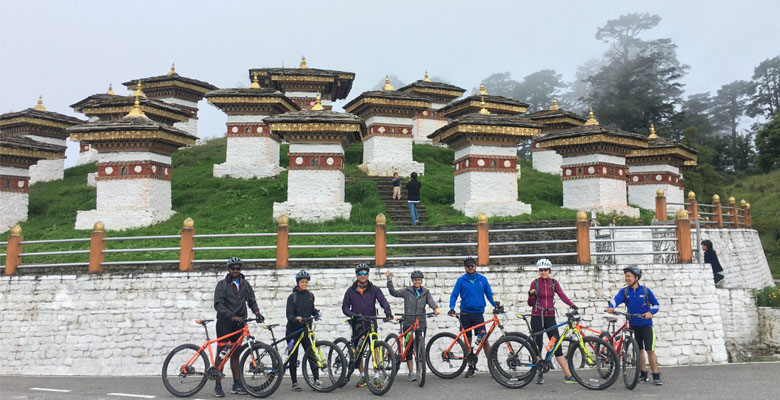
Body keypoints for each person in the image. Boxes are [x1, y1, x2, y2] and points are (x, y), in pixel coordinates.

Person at [213, 257, 264, 397]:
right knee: (222, 353)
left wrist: (257, 313)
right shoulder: (222, 285)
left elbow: (252, 301)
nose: (235, 271)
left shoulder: (245, 285)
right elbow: (218, 304)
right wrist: (230, 315)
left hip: (240, 324)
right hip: (225, 323)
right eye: (232, 268)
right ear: (228, 270)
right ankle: (217, 385)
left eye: (238, 268)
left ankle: (236, 384)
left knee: (235, 354)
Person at [607, 266, 662, 386]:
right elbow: (616, 300)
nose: (627, 278)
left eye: (629, 276)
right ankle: (643, 373)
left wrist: (650, 313)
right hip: (633, 325)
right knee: (639, 351)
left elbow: (656, 305)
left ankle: (656, 375)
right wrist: (611, 307)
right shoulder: (625, 292)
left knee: (650, 350)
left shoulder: (646, 291)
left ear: (636, 278)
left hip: (646, 326)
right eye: (626, 276)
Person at [526, 258, 577, 384]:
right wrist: (531, 295)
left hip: (550, 317)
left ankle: (568, 375)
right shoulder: (535, 283)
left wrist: (572, 305)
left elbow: (561, 295)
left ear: (550, 270)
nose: (543, 272)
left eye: (546, 270)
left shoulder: (553, 283)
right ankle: (539, 374)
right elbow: (530, 303)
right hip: (537, 316)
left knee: (556, 343)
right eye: (541, 270)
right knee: (537, 346)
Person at [342, 263, 394, 387]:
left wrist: (388, 312)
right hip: (357, 323)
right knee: (358, 350)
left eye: (365, 273)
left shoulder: (374, 289)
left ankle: (376, 377)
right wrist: (352, 314)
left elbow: (383, 301)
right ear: (356, 276)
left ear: (368, 275)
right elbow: (344, 307)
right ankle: (362, 376)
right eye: (360, 274)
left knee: (375, 348)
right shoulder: (350, 291)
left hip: (371, 323)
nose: (362, 276)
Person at [385, 269, 440, 382]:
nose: (417, 282)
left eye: (419, 280)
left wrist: (435, 308)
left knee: (420, 348)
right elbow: (393, 293)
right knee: (409, 348)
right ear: (412, 281)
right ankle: (411, 372)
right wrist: (389, 280)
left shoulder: (425, 292)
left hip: (420, 322)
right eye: (415, 280)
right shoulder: (407, 291)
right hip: (408, 322)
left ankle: (419, 371)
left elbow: (431, 302)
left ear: (421, 281)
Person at [448, 256, 498, 378]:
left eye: (472, 265)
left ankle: (493, 367)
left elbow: (489, 294)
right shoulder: (461, 280)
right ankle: (470, 367)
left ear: (476, 266)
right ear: (465, 268)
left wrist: (496, 304)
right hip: (465, 314)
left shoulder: (483, 279)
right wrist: (451, 307)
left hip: (478, 314)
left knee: (484, 341)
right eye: (468, 266)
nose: (470, 268)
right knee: (467, 341)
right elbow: (454, 295)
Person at [286, 270, 321, 391]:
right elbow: (288, 314)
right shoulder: (292, 297)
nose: (304, 284)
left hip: (305, 330)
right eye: (302, 282)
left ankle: (316, 379)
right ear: (298, 283)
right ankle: (294, 382)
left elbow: (311, 309)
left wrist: (316, 313)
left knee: (311, 354)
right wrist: (296, 318)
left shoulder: (310, 296)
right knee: (293, 356)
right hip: (293, 331)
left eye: (306, 282)